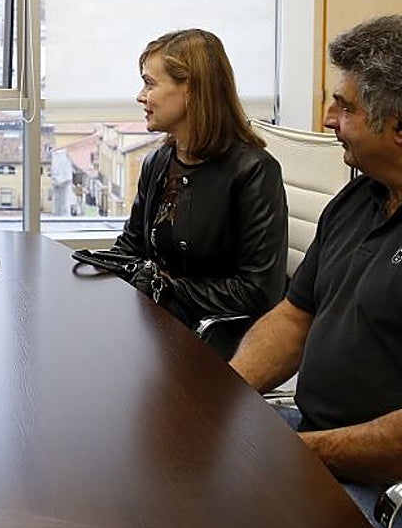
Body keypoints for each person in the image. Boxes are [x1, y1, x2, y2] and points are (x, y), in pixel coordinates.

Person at [230, 14, 402, 528]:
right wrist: (223, 395)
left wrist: (303, 454)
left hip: (386, 485)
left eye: (345, 106)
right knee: (177, 471)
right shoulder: (358, 199)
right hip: (312, 435)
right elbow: (294, 317)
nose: (328, 119)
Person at [110, 29, 287, 346]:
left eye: (150, 83)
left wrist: (164, 289)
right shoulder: (158, 163)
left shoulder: (255, 171)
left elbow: (258, 292)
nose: (140, 96)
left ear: (190, 88)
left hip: (214, 340)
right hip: (160, 328)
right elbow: (130, 249)